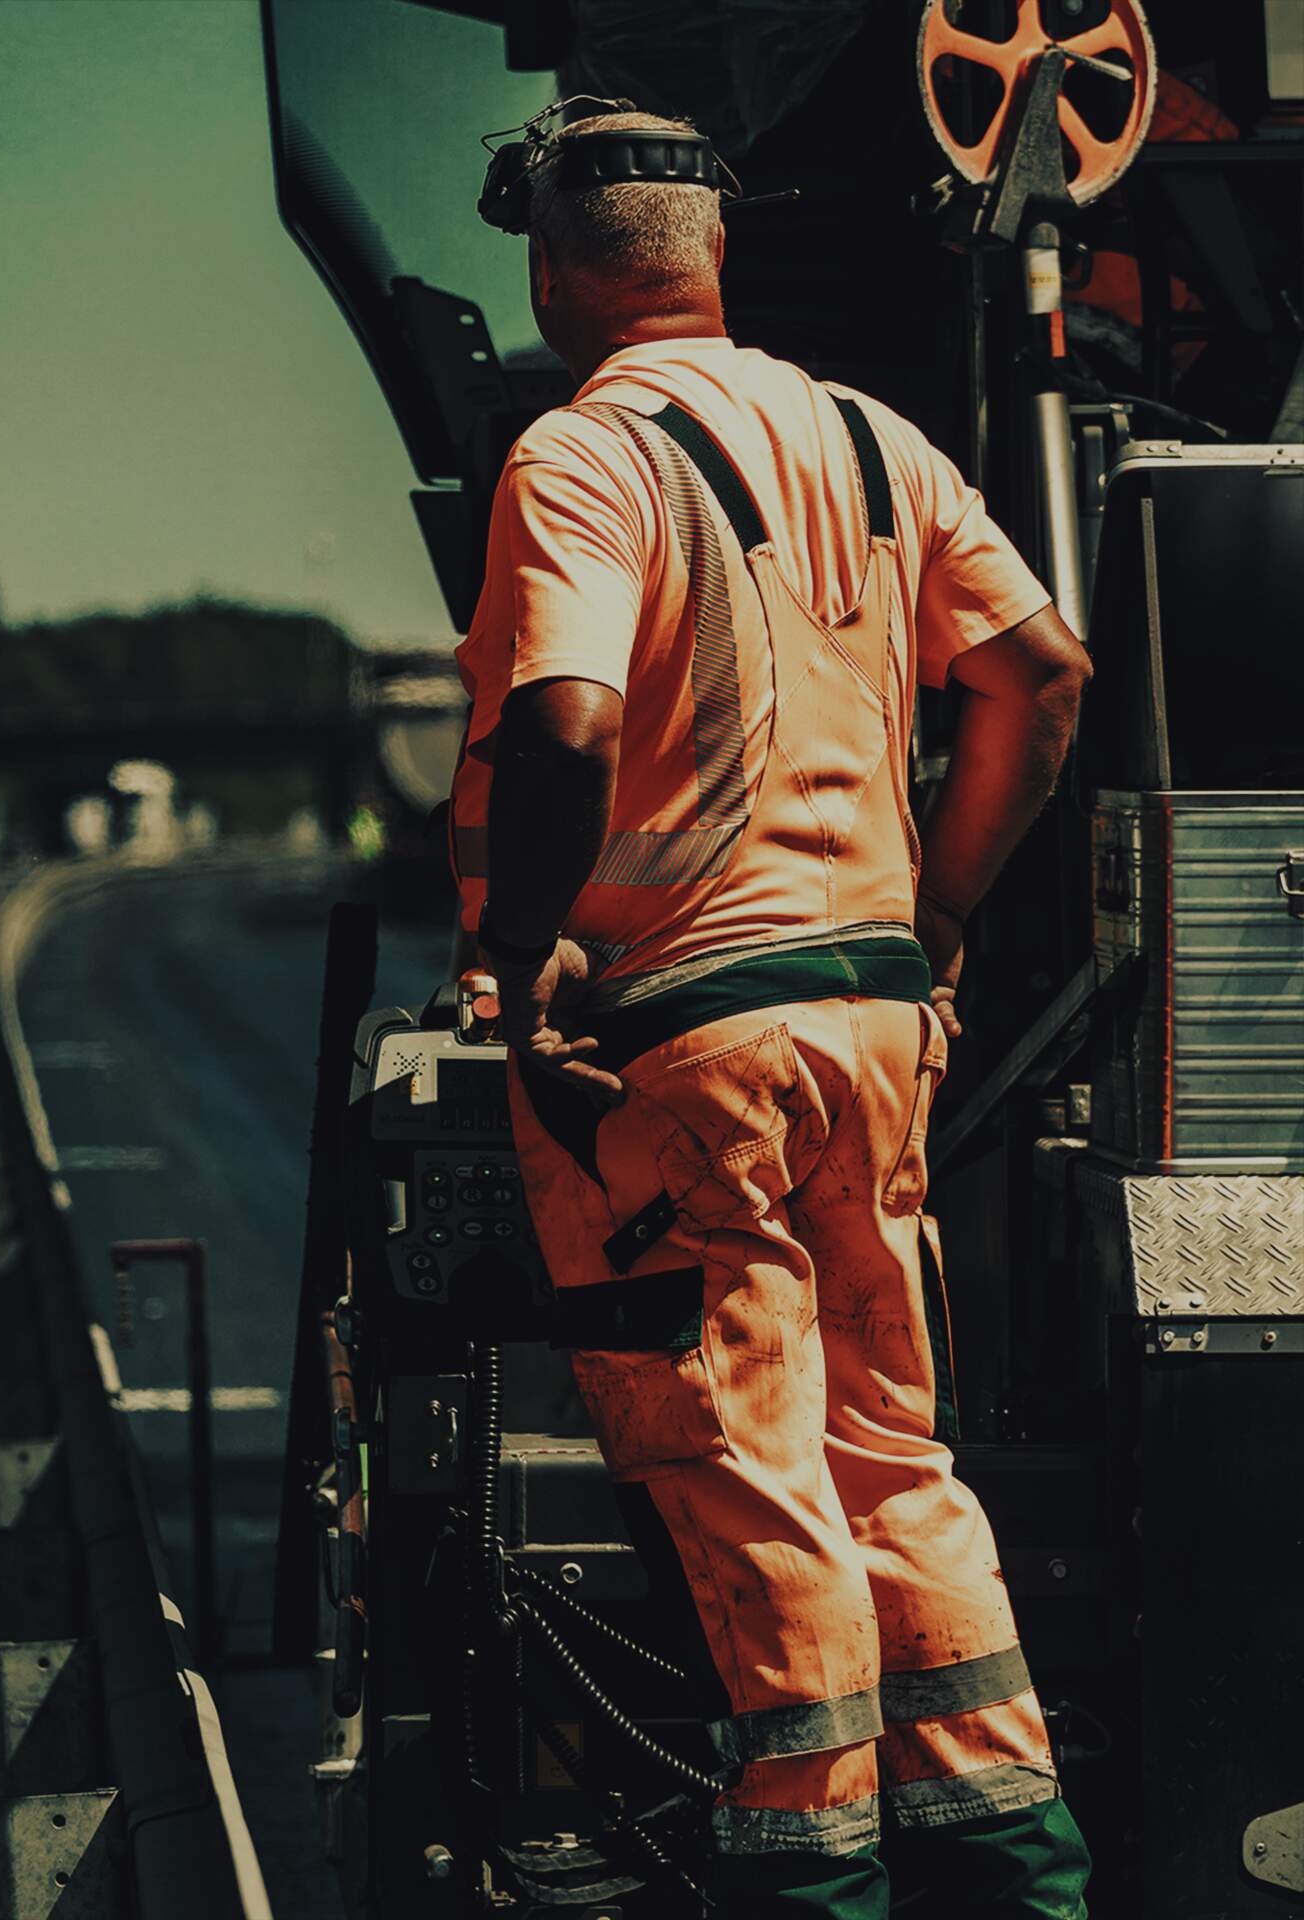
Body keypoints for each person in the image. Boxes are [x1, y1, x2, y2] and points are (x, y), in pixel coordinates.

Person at [450, 108, 1095, 1917]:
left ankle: (813, 1887)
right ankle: (1024, 1882)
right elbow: (1040, 676)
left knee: (753, 1483)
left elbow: (568, 727)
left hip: (679, 1052)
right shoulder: (878, 443)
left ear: (550, 268)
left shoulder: (582, 456)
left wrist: (523, 958)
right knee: (894, 1459)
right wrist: (940, 910)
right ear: (714, 254)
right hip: (874, 1026)